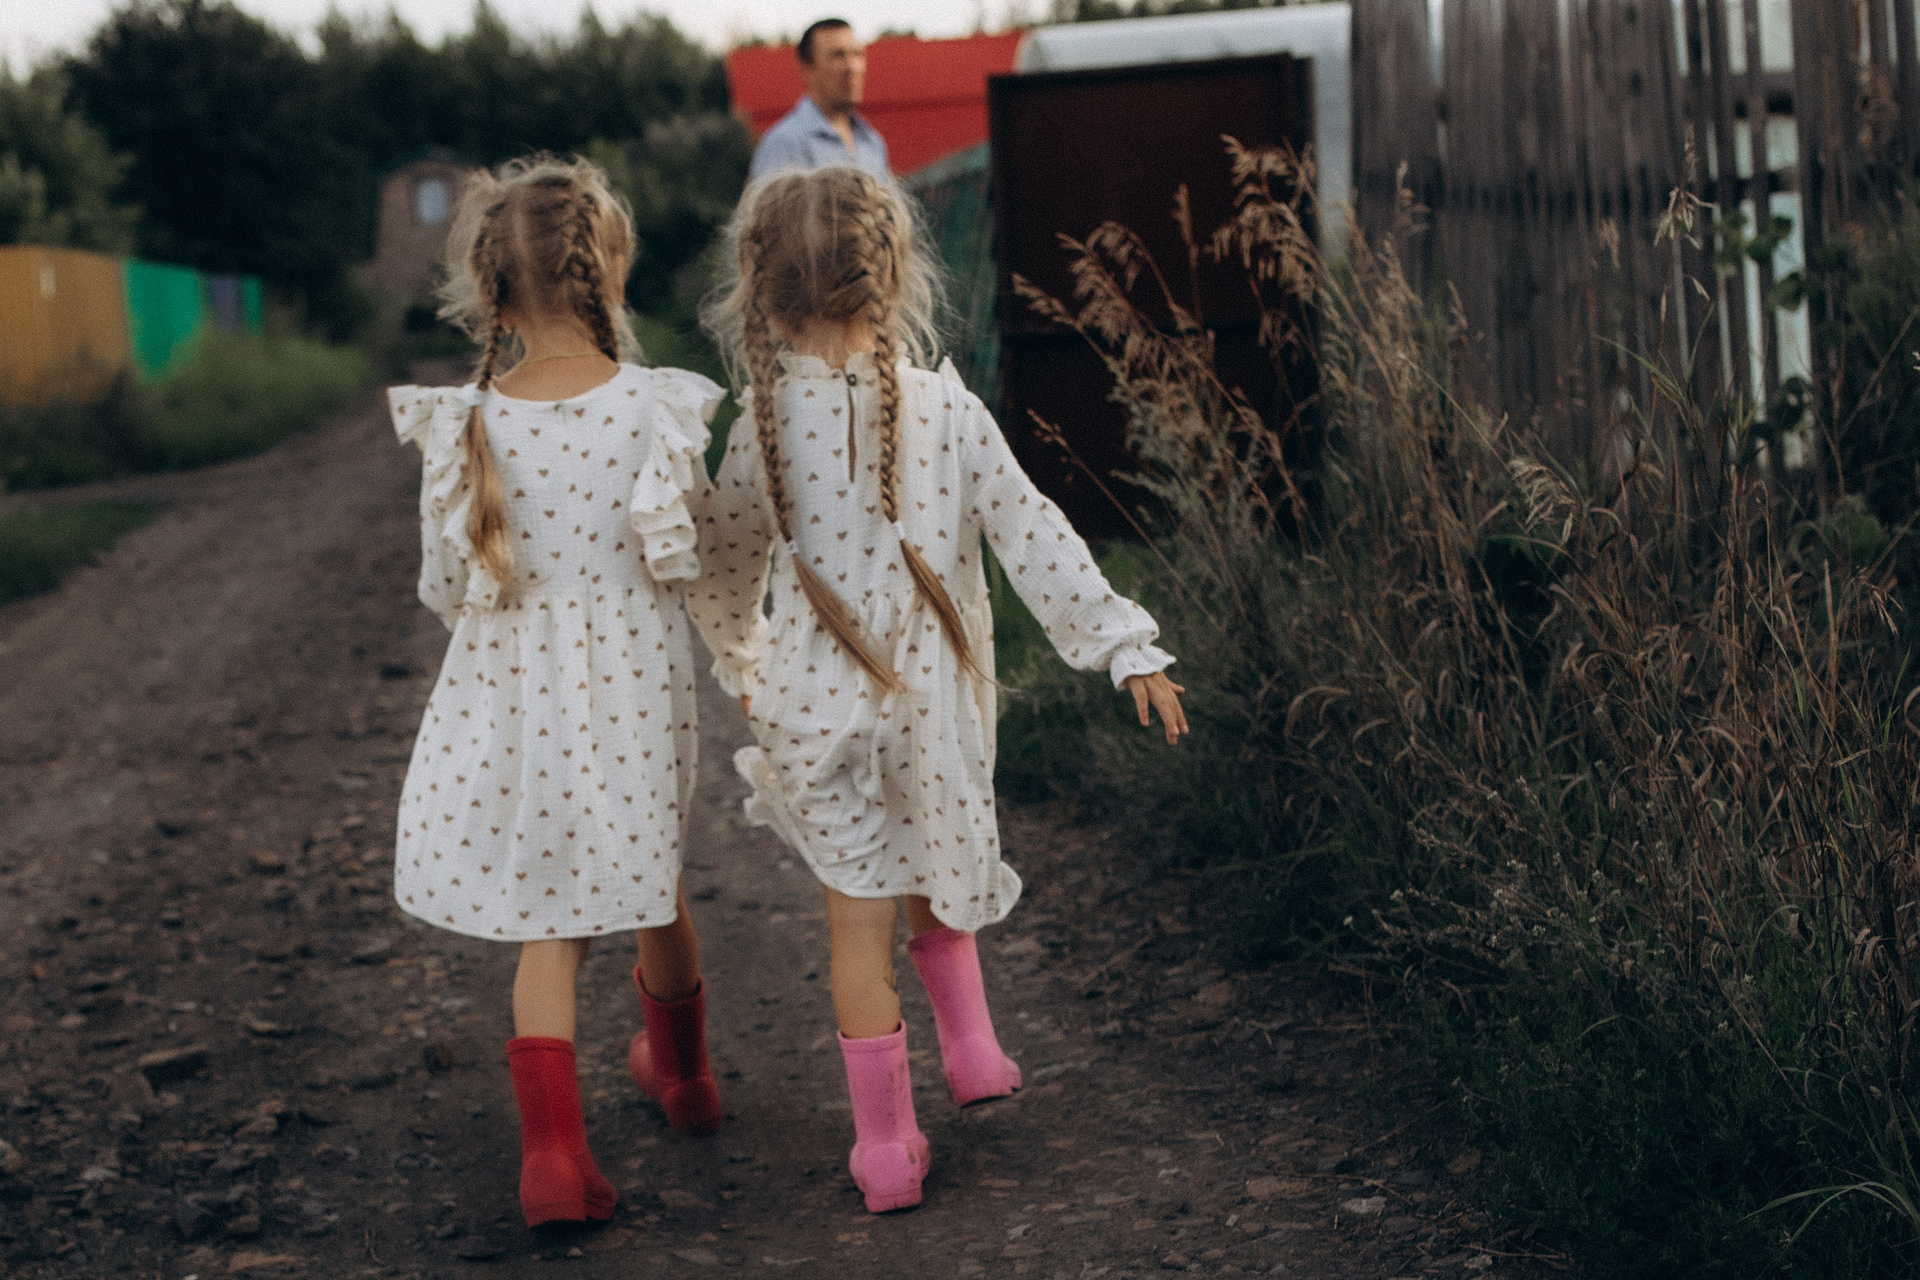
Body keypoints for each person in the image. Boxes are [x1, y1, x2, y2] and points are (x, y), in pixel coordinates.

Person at [690, 165, 1188, 1213]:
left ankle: (884, 1149)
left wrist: (742, 665)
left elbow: (723, 571)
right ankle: (970, 1049)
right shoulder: (947, 411)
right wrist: (1122, 642)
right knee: (937, 855)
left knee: (854, 924)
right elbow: (1031, 530)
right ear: (894, 276)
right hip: (931, 707)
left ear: (759, 292)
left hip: (817, 721)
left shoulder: (762, 426)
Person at [387, 154, 727, 1229]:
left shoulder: (469, 424)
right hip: (636, 689)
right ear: (611, 274)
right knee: (653, 878)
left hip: (519, 700)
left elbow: (448, 586)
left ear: (489, 292)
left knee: (552, 920)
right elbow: (692, 551)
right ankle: (685, 1078)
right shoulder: (658, 410)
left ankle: (552, 1158)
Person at [747, 18, 890, 183]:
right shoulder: (784, 144)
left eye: (857, 54)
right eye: (838, 55)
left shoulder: (872, 141)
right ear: (807, 69)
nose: (852, 67)